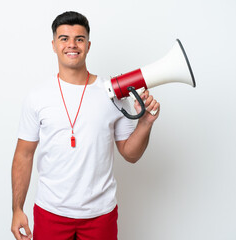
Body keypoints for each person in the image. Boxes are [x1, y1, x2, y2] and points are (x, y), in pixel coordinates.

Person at [11, 11, 160, 240]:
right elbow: (24, 154)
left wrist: (145, 123)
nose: (72, 45)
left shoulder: (111, 93)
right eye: (64, 38)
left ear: (88, 45)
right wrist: (17, 209)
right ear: (53, 45)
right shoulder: (37, 97)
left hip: (100, 214)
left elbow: (130, 154)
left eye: (79, 39)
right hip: (51, 212)